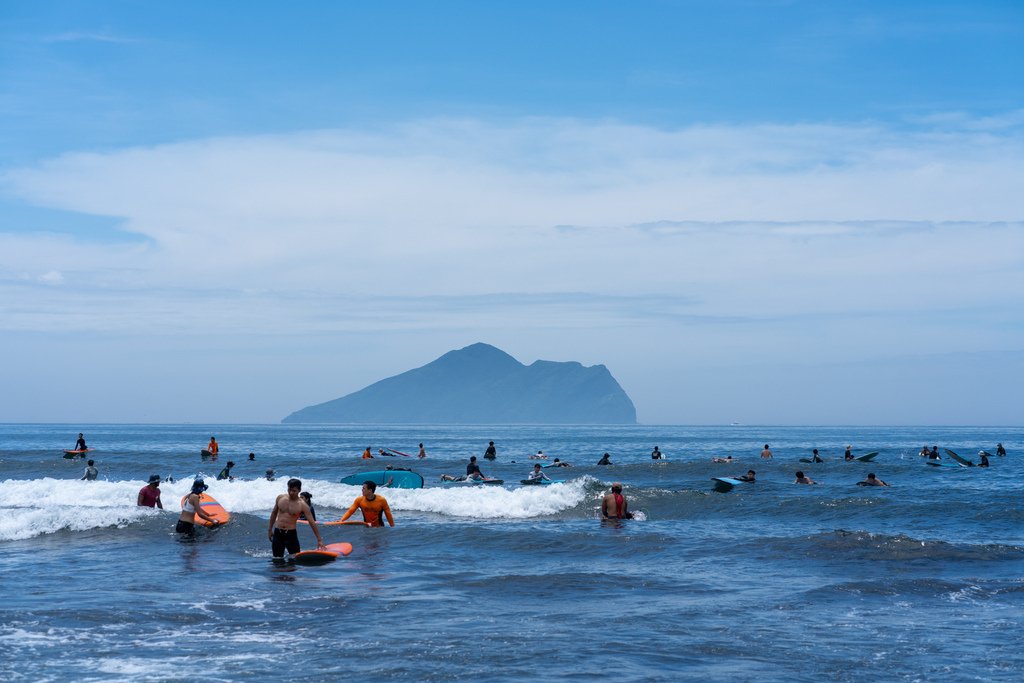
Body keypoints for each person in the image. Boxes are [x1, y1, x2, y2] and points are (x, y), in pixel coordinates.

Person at [268, 478, 324, 558]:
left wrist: (319, 540)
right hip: (278, 533)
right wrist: (270, 529)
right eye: (289, 490)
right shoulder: (280, 498)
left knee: (294, 561)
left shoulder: (302, 505)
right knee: (277, 560)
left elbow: (312, 522)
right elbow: (274, 513)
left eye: (294, 491)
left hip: (290, 535)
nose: (291, 493)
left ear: (299, 490)